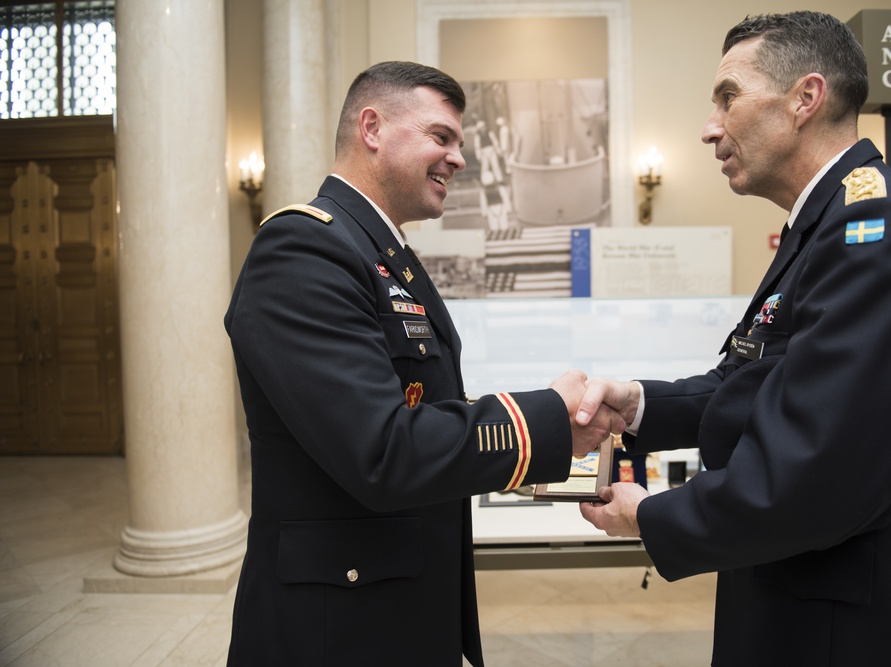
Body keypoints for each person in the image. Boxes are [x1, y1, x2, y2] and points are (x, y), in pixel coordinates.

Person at [576, 12, 891, 666]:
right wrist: (639, 405)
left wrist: (651, 517)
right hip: (803, 604)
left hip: (850, 632)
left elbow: (821, 470)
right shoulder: (826, 227)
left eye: (728, 97)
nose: (710, 128)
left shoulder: (877, 235)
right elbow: (760, 387)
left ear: (805, 98)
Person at [224, 61, 622, 667]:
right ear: (372, 128)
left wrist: (546, 426)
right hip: (338, 626)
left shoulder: (380, 250)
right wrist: (543, 419)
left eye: (458, 142)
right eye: (441, 137)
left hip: (395, 597)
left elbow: (422, 405)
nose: (458, 158)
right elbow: (381, 448)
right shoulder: (305, 249)